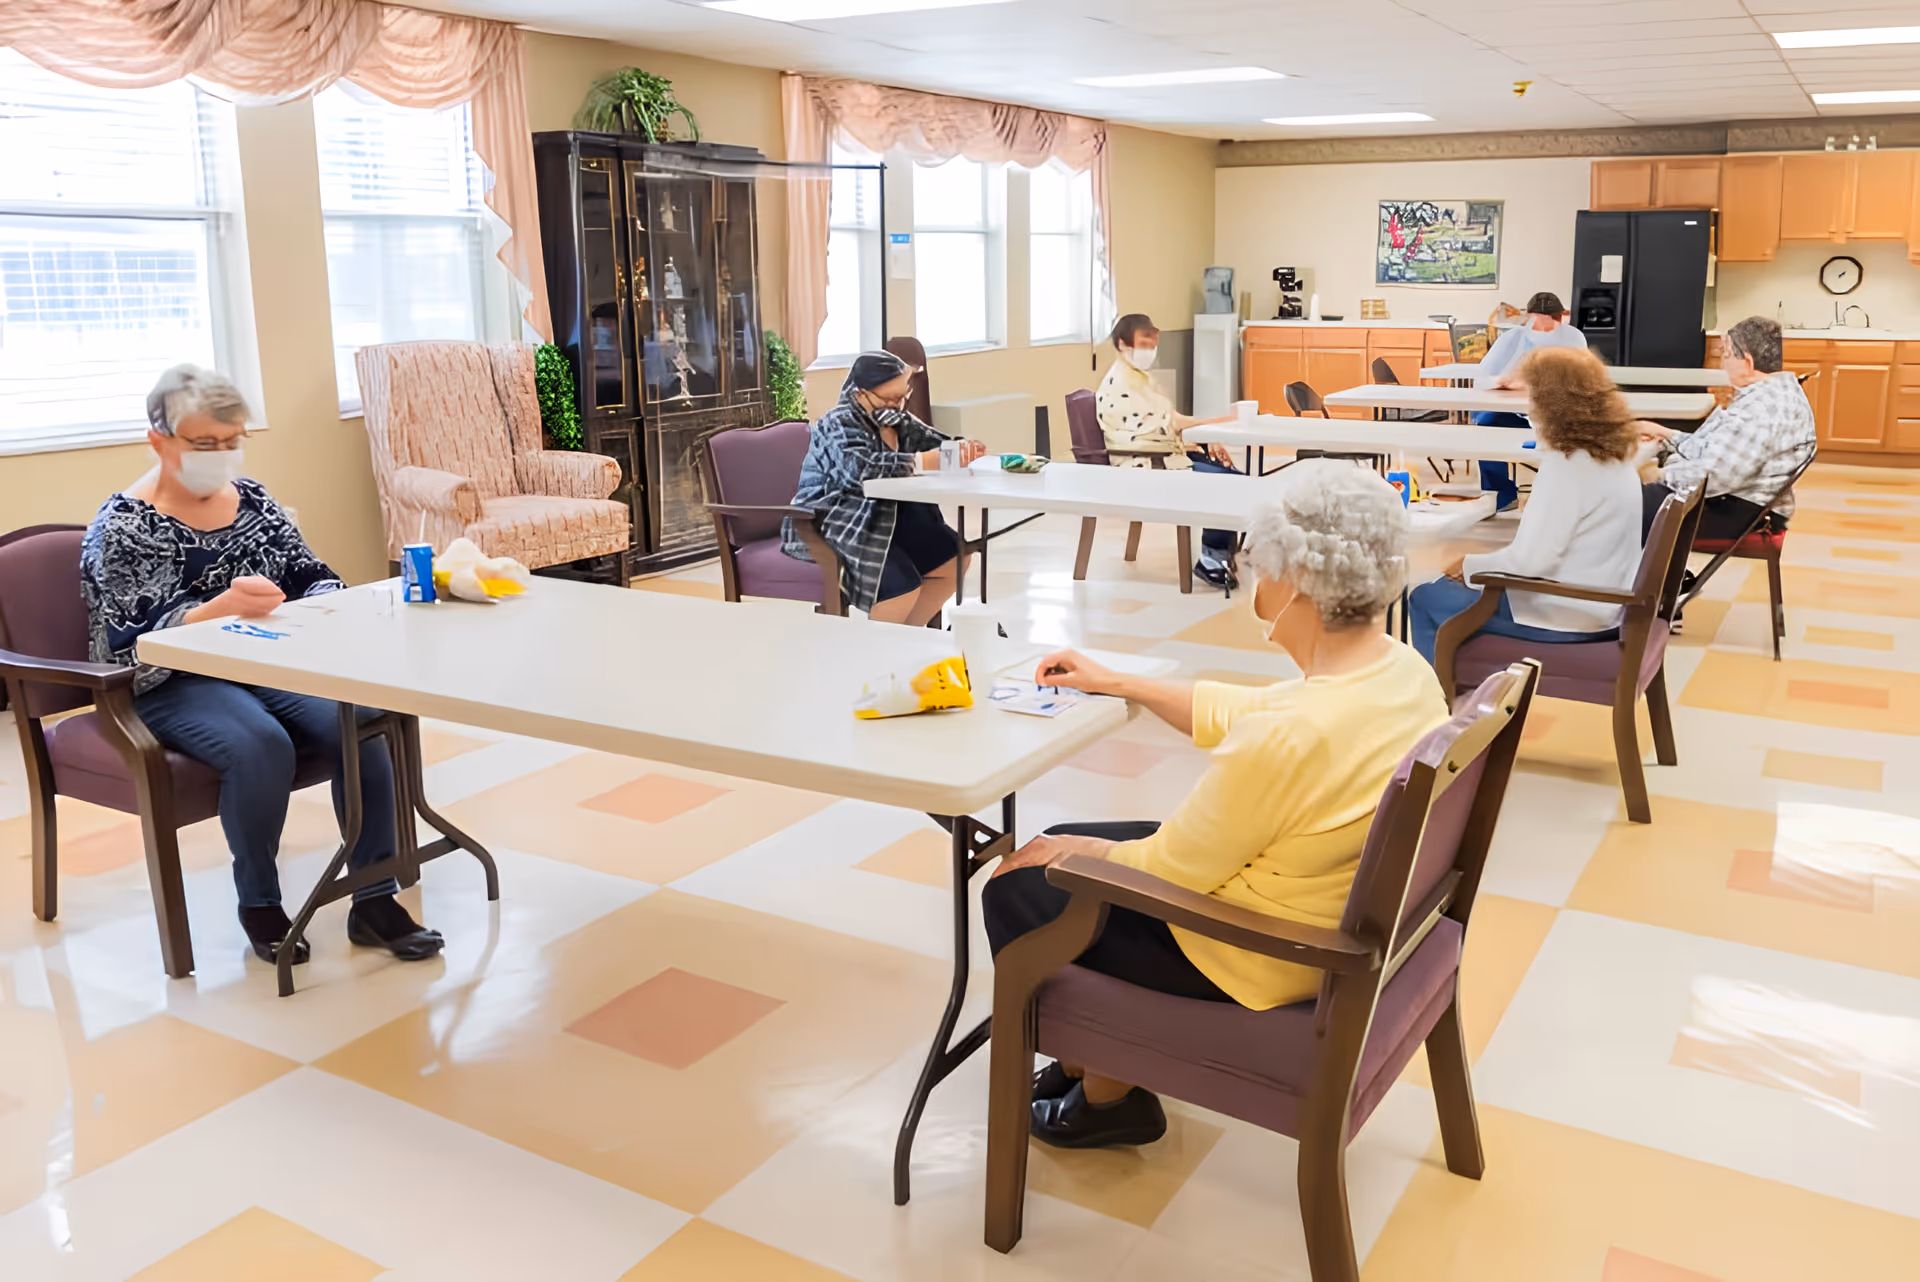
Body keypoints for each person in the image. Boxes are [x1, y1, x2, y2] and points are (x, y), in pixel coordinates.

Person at [982, 460, 1449, 1148]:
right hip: (1324, 905)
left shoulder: (1292, 734)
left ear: (1294, 580)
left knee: (1018, 883)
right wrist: (1123, 682)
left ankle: (1107, 1096)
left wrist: (1070, 854)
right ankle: (1089, 1062)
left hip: (1258, 951)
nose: (1250, 576)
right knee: (1069, 836)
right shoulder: (1400, 669)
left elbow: (1164, 870)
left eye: (1258, 563)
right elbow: (1249, 711)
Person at [80, 365, 444, 966]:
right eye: (205, 444)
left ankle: (373, 898)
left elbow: (310, 574)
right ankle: (260, 904)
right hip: (170, 683)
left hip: (262, 661)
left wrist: (329, 603)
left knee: (363, 721)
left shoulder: (251, 500)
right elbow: (126, 648)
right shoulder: (123, 527)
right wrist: (213, 611)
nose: (222, 456)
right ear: (158, 439)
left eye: (232, 441)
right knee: (259, 745)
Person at [1409, 347, 1643, 665]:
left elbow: (1530, 563)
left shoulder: (1566, 467)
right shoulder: (1615, 456)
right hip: (1605, 605)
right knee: (1451, 588)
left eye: (1531, 395)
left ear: (1549, 403)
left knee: (1425, 596)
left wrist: (1467, 566)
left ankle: (1446, 691)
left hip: (1567, 614)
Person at [783, 350, 986, 625]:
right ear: (859, 393)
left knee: (954, 557)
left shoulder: (895, 418)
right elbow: (858, 469)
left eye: (902, 397)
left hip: (885, 515)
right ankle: (882, 646)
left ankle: (907, 637)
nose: (896, 405)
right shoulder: (838, 422)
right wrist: (921, 461)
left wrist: (960, 447)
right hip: (834, 520)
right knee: (900, 586)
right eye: (888, 398)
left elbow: (935, 443)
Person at [1638, 315, 1815, 542]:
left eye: (1726, 354)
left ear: (1747, 362)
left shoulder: (1761, 408)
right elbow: (1716, 450)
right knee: (1629, 495)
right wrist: (1667, 434)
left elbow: (1715, 478)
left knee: (1626, 503)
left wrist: (1657, 476)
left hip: (1739, 511)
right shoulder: (1772, 392)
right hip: (1738, 499)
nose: (1722, 362)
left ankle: (1640, 564)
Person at [1095, 313, 1241, 588]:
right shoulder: (1118, 385)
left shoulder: (1139, 379)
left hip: (1163, 457)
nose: (1150, 350)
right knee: (1228, 485)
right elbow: (1157, 430)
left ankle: (1222, 553)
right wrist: (1217, 424)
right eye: (1143, 343)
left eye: (1153, 343)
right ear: (1122, 343)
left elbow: (1166, 422)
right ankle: (1212, 560)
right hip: (1146, 467)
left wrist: (1204, 438)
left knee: (1236, 478)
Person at [1471, 291, 1587, 510]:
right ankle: (1500, 492)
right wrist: (1503, 382)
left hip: (1557, 416)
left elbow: (1582, 380)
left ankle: (1565, 494)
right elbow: (1484, 376)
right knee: (1487, 423)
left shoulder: (1573, 338)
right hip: (1515, 412)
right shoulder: (1512, 339)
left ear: (1561, 316)